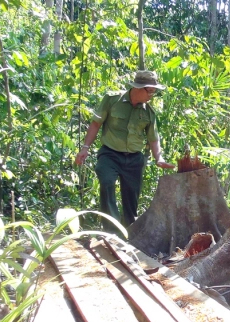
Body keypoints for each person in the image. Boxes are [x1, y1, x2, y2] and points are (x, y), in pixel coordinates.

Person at [75, 70, 175, 234]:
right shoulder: (112, 99)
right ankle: (111, 232)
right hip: (110, 154)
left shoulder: (148, 112)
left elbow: (153, 139)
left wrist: (159, 158)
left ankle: (129, 233)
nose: (152, 94)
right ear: (138, 88)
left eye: (154, 91)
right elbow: (96, 124)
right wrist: (85, 148)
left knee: (131, 199)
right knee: (106, 182)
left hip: (134, 159)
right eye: (150, 90)